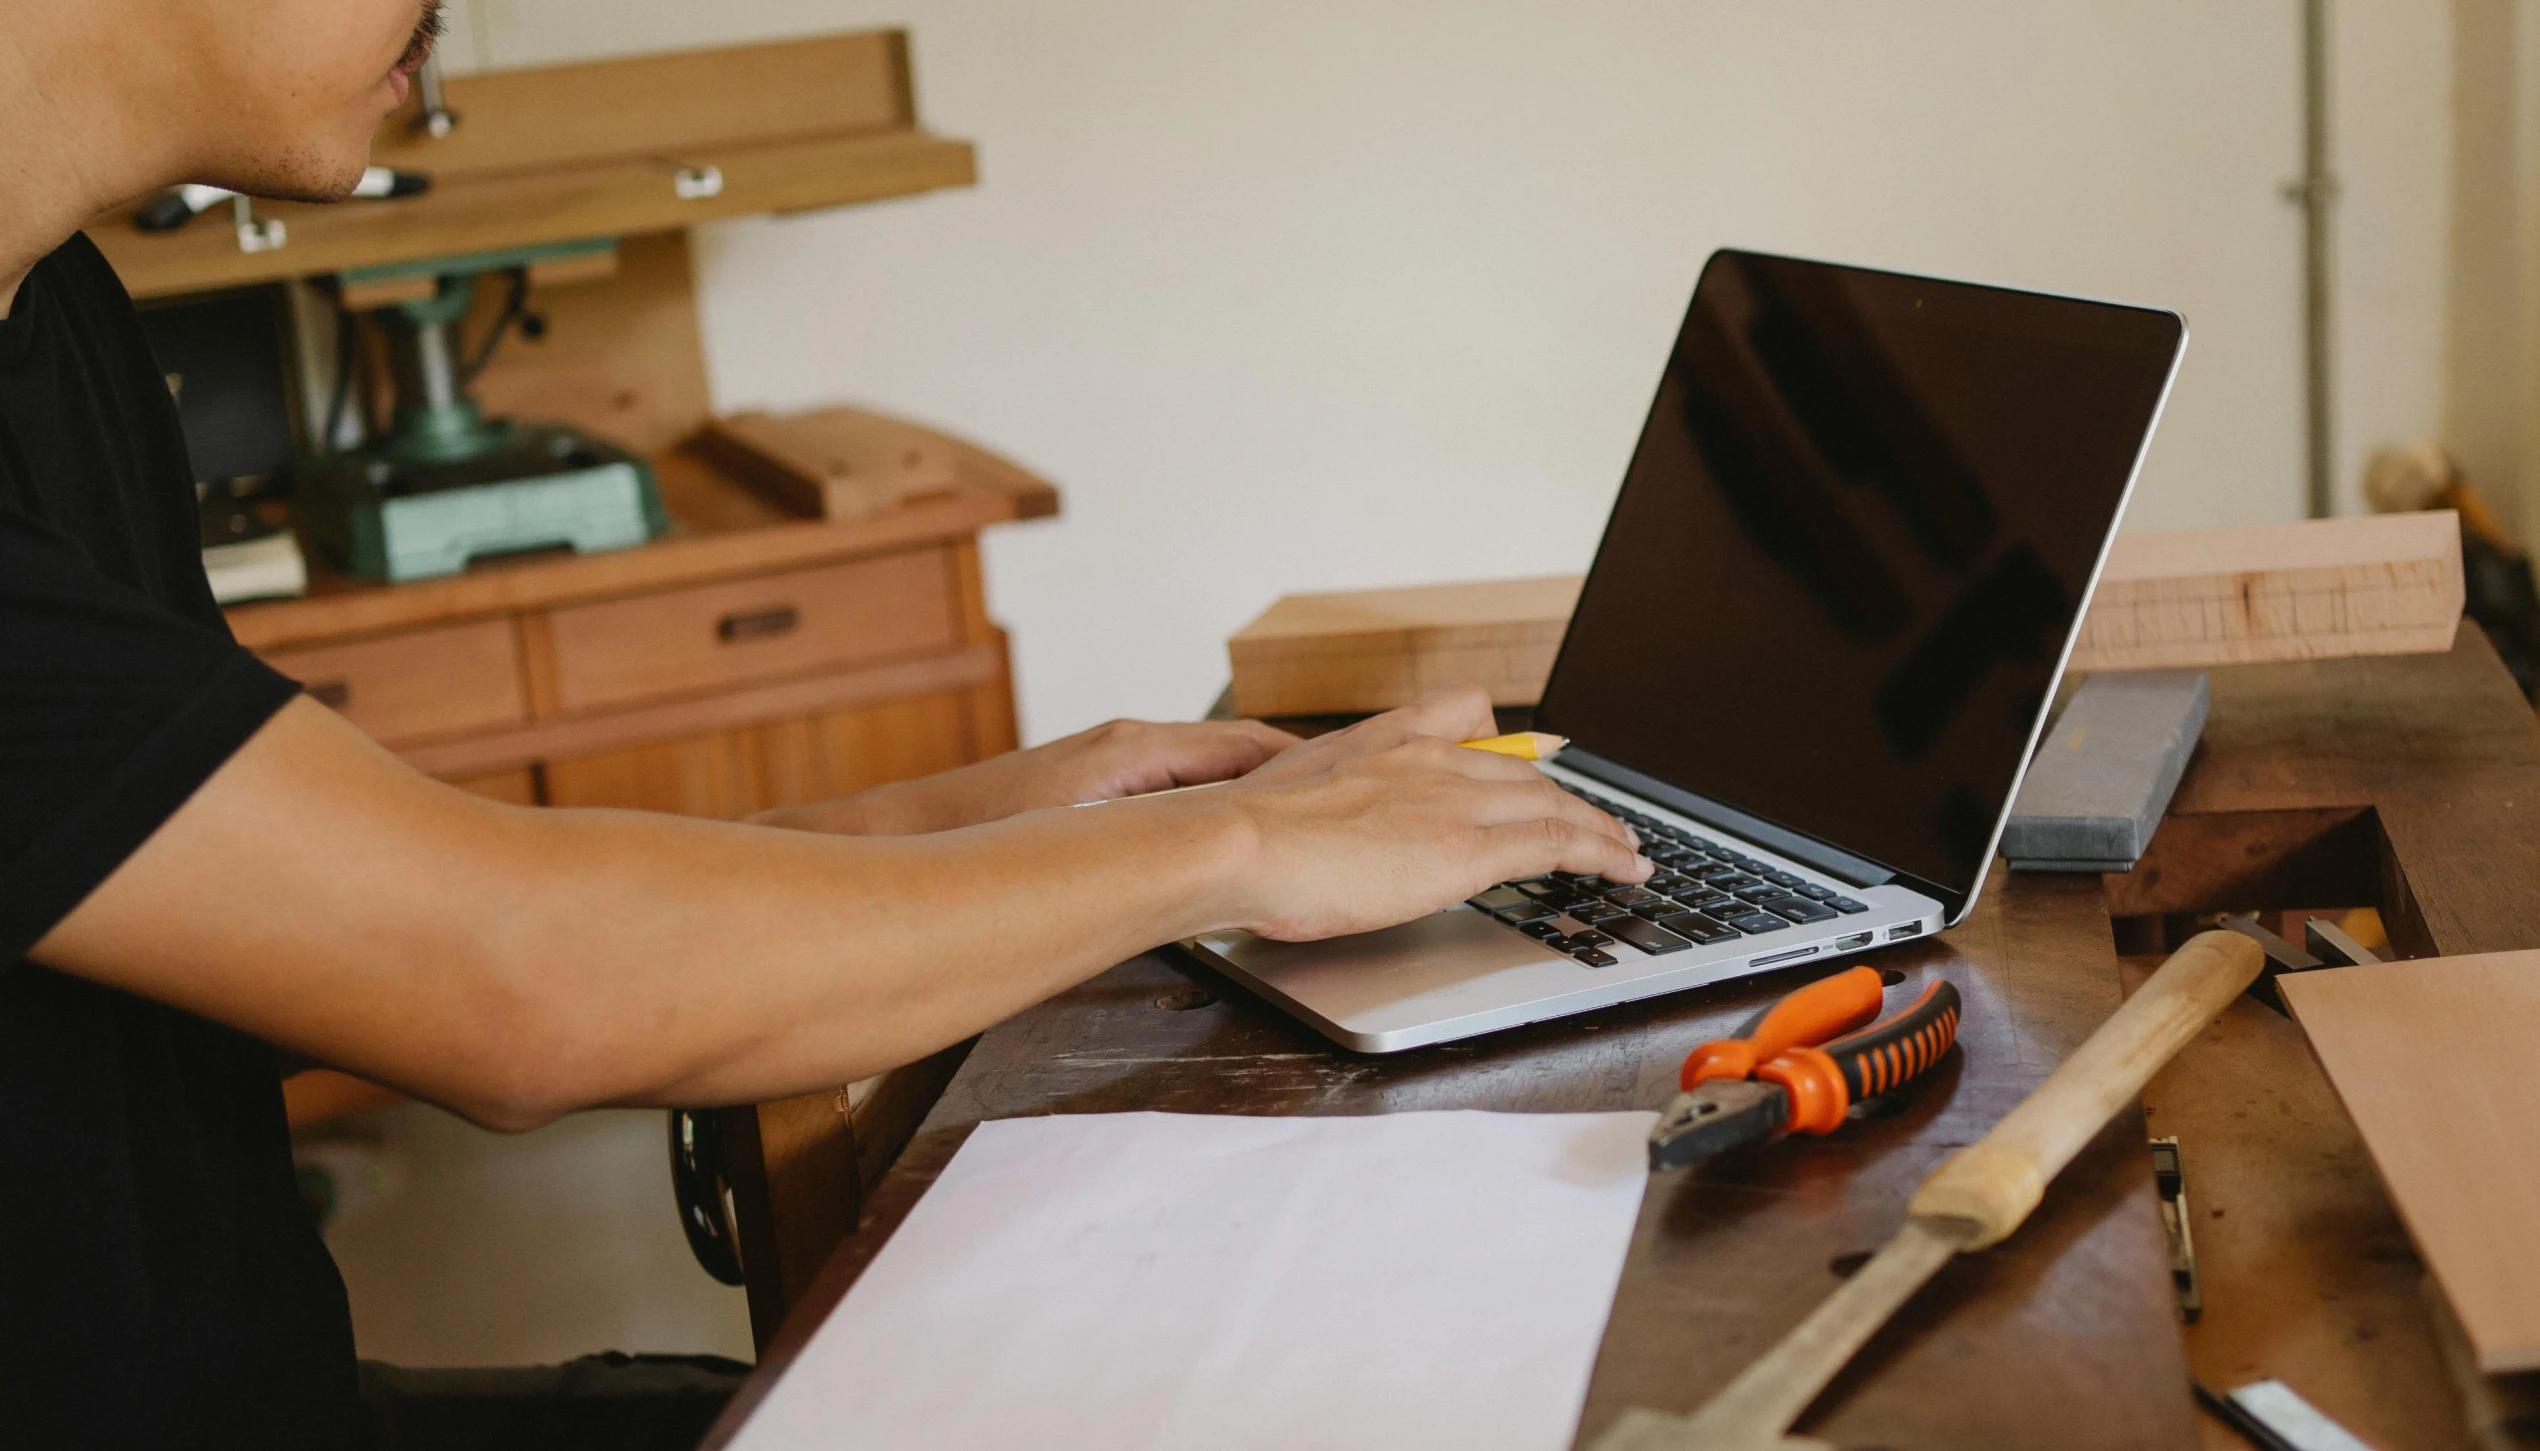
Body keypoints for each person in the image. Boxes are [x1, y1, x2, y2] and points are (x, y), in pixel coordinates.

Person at [0, 2, 1650, 1446]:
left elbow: (330, 921)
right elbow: (511, 980)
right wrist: (1231, 849)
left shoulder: (50, 318)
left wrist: (991, 822)